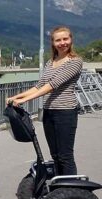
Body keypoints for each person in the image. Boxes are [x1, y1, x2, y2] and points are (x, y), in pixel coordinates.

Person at [7, 26, 83, 175]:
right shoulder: (51, 62)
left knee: (65, 156)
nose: (62, 43)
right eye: (58, 40)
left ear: (71, 40)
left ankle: (71, 191)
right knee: (55, 155)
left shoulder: (75, 61)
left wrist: (25, 100)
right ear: (53, 43)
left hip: (65, 112)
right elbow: (39, 86)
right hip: (49, 112)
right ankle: (59, 189)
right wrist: (17, 97)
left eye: (65, 39)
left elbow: (52, 86)